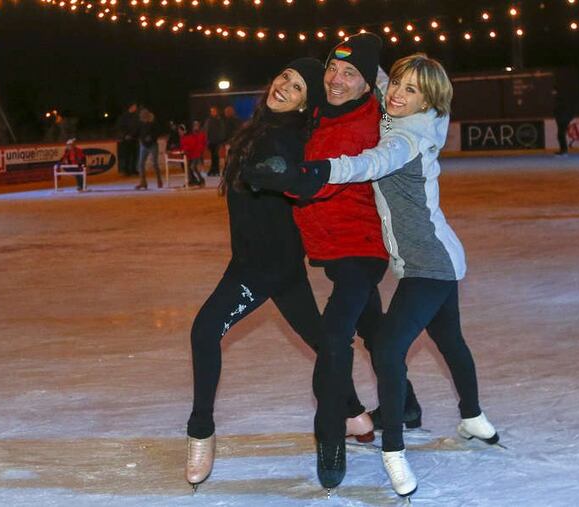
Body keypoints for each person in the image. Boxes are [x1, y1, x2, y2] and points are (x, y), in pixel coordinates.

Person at [250, 54, 500, 498]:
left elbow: (364, 164)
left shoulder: (404, 138)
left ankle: (394, 453)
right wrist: (362, 56)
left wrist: (318, 169)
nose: (398, 95)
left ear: (430, 100)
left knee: (386, 346)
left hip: (431, 265)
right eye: (397, 86)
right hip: (431, 258)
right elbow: (378, 82)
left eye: (411, 91)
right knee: (450, 341)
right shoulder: (409, 112)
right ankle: (474, 418)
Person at [244, 33, 423, 491]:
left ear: (368, 85)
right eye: (333, 70)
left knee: (334, 334)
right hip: (326, 244)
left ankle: (330, 439)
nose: (337, 80)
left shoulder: (375, 124)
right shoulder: (319, 110)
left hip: (361, 247)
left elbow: (332, 176)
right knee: (373, 328)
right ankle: (405, 403)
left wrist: (290, 180)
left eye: (350, 74)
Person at [186, 57, 340, 490]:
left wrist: (281, 174)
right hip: (264, 262)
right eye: (284, 78)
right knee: (323, 342)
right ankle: (357, 414)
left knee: (203, 332)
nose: (284, 87)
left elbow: (299, 176)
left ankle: (201, 431)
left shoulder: (291, 137)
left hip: (265, 267)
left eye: (296, 88)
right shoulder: (254, 130)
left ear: (304, 105)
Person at [135, 108, 163, 190]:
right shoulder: (140, 123)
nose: (142, 118)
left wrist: (151, 137)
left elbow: (157, 132)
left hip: (152, 145)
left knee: (154, 163)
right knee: (140, 164)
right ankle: (143, 182)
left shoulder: (153, 123)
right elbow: (137, 132)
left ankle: (159, 180)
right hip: (143, 145)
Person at [181, 120, 207, 187]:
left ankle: (200, 180)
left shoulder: (201, 134)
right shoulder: (192, 134)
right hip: (192, 153)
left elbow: (204, 143)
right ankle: (193, 180)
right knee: (190, 168)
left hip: (197, 153)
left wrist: (202, 151)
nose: (196, 127)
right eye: (194, 125)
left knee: (193, 167)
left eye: (197, 125)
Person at [116, 102, 140, 176]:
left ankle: (133, 169)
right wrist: (125, 135)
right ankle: (126, 170)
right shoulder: (124, 116)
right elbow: (120, 127)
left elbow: (137, 127)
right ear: (131, 107)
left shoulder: (136, 116)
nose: (136, 108)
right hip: (126, 139)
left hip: (135, 138)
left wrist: (135, 135)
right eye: (135, 106)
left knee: (135, 155)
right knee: (127, 155)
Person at [204, 106, 226, 176]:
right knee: (213, 156)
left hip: (217, 141)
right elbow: (206, 130)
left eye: (213, 111)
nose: (212, 112)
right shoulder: (209, 120)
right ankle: (213, 170)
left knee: (215, 155)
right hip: (211, 141)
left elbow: (222, 130)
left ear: (217, 111)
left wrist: (221, 140)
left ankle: (215, 170)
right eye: (211, 111)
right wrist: (206, 140)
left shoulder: (219, 120)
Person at [554, 90, 574, 156]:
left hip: (563, 122)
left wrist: (567, 120)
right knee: (561, 136)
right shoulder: (562, 105)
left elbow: (568, 114)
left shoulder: (561, 105)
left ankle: (564, 150)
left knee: (561, 135)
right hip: (562, 121)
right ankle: (563, 150)